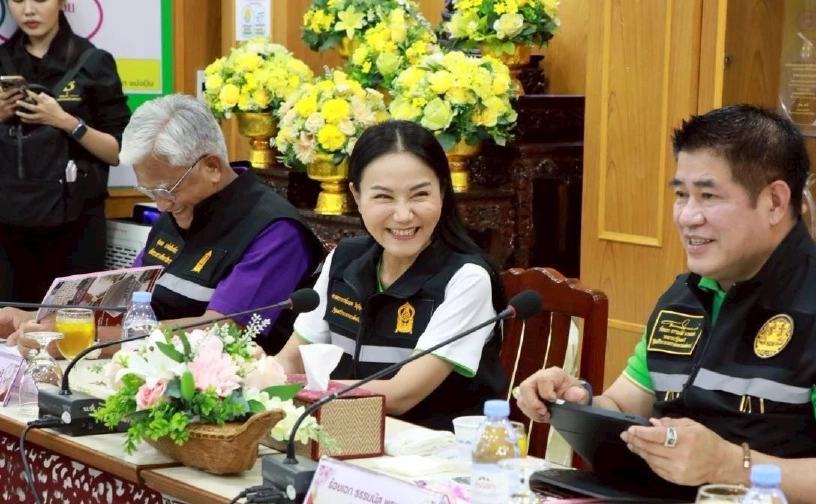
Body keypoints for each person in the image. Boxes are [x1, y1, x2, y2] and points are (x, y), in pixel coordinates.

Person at [514, 104, 816, 504]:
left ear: (774, 202)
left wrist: (730, 466)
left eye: (708, 196)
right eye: (681, 195)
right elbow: (625, 408)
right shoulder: (687, 295)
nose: (687, 217)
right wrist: (578, 403)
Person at [6, 94, 325, 355]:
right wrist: (39, 320)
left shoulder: (275, 230)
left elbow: (222, 332)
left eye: (166, 190)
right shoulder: (177, 208)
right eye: (149, 191)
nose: (160, 205)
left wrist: (85, 339)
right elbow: (126, 300)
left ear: (212, 166)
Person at [277, 119, 508, 431]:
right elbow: (291, 359)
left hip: (433, 450)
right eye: (384, 197)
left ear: (443, 190)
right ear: (356, 196)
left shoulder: (467, 279)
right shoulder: (344, 259)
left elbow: (400, 395)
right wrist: (250, 377)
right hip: (346, 435)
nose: (403, 215)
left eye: (419, 195)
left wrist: (300, 389)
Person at [0, 0, 131, 304]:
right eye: (17, 1)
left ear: (61, 2)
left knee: (74, 322)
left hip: (76, 227)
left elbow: (118, 152)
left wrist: (65, 121)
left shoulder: (93, 62)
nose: (28, 10)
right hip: (8, 227)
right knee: (8, 324)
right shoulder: (3, 61)